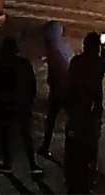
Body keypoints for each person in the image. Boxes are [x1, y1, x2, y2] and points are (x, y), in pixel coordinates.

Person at [65, 32, 105, 193]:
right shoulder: (98, 63)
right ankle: (88, 179)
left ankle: (72, 178)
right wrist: (104, 48)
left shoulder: (76, 61)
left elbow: (69, 83)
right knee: (91, 148)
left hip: (76, 110)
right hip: (92, 111)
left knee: (73, 146)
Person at [0, 37, 43, 175]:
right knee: (26, 135)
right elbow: (32, 84)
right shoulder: (24, 64)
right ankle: (33, 165)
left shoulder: (0, 65)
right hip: (22, 104)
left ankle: (7, 164)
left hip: (6, 105)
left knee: (6, 135)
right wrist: (30, 101)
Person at [38, 21, 74, 157]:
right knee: (65, 120)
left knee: (53, 120)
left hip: (60, 90)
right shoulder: (63, 48)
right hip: (65, 89)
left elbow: (55, 73)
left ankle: (48, 147)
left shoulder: (55, 51)